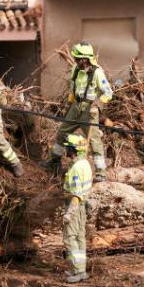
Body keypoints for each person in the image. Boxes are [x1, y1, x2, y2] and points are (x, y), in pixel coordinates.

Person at [42, 41, 112, 182]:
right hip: (75, 107)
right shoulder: (75, 69)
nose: (75, 60)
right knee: (62, 133)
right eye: (75, 58)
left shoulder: (97, 72)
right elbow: (73, 90)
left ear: (85, 59)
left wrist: (97, 105)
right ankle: (55, 162)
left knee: (94, 141)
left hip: (89, 110)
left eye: (78, 58)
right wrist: (68, 106)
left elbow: (108, 93)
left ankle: (100, 173)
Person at [62, 133, 92, 283]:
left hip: (75, 205)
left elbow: (76, 194)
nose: (65, 151)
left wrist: (69, 213)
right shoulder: (85, 163)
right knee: (80, 238)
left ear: (72, 150)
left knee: (70, 238)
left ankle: (78, 270)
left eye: (67, 148)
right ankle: (80, 269)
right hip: (83, 206)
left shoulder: (75, 169)